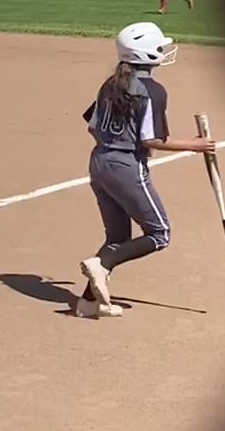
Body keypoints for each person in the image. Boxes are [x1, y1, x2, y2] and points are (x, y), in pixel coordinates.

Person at [75, 21, 215, 318]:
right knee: (159, 233)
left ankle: (88, 303)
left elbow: (92, 126)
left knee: (117, 238)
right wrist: (195, 145)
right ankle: (102, 264)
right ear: (148, 53)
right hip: (127, 166)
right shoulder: (153, 91)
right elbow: (151, 139)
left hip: (99, 162)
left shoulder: (110, 84)